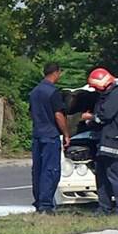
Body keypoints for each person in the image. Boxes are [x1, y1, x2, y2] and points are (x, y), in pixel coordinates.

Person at [81, 68, 118, 215]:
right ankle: (104, 208)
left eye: (96, 87)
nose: (95, 90)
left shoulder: (116, 95)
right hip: (104, 143)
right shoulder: (105, 96)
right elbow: (99, 119)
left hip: (115, 144)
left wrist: (89, 117)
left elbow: (104, 115)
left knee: (115, 176)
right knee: (102, 176)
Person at [27, 63, 70, 214]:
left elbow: (32, 113)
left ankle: (39, 202)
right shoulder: (53, 92)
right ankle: (46, 205)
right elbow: (58, 115)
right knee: (50, 171)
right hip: (50, 135)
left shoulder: (34, 92)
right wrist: (66, 134)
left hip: (37, 134)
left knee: (37, 170)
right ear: (57, 73)